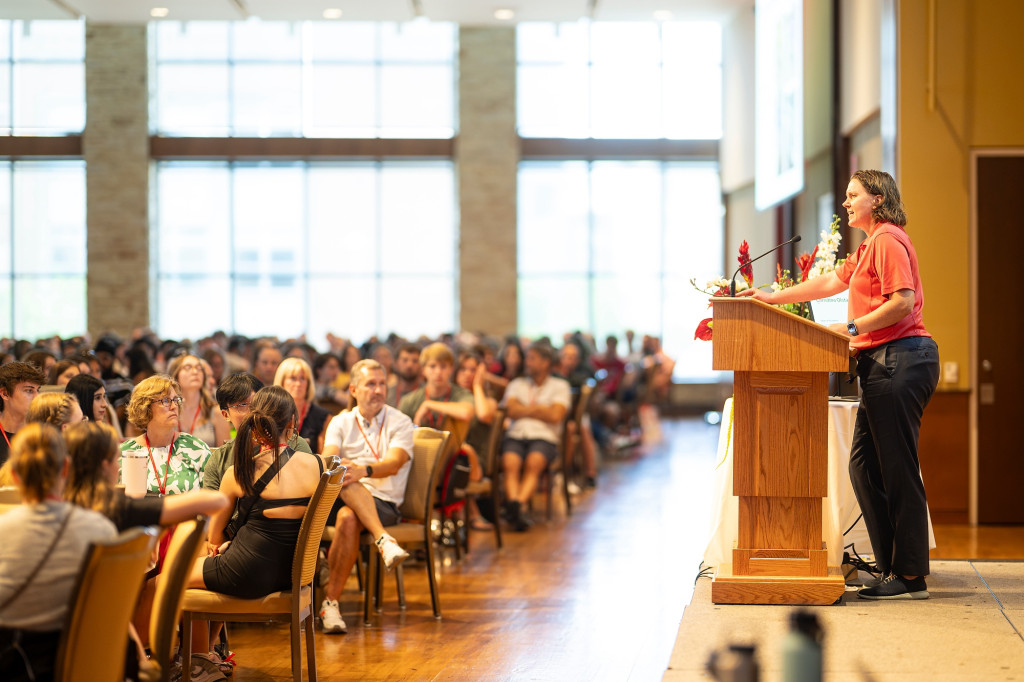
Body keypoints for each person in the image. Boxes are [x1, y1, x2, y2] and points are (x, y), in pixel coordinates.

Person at [739, 169, 939, 600]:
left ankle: (910, 576)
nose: (846, 203)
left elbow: (902, 302)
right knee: (866, 467)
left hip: (900, 360)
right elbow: (830, 281)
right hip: (883, 362)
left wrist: (849, 327)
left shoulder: (887, 239)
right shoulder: (870, 245)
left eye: (853, 195)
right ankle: (892, 568)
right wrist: (769, 297)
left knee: (895, 467)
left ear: (878, 199)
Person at [186, 388, 324, 675]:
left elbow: (214, 537)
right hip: (292, 574)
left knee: (166, 579)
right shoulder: (319, 466)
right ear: (293, 422)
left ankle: (196, 659)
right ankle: (205, 657)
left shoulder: (239, 472)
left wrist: (223, 547)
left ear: (255, 424)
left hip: (248, 573)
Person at [0, 423, 118, 682]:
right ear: (66, 468)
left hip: (14, 664)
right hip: (85, 665)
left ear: (15, 475)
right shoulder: (101, 529)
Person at [319, 359, 413, 635]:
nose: (378, 390)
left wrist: (364, 469)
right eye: (370, 384)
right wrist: (348, 468)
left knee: (349, 515)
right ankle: (383, 540)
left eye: (382, 383)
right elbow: (329, 458)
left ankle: (330, 604)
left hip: (384, 502)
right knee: (345, 476)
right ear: (353, 389)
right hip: (345, 495)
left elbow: (395, 463)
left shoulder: (400, 421)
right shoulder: (341, 421)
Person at [500, 342, 571, 532]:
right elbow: (511, 410)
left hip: (544, 436)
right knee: (510, 463)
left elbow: (556, 415)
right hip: (517, 433)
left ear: (546, 362)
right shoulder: (517, 384)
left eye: (532, 358)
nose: (527, 363)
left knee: (534, 462)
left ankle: (516, 505)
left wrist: (525, 409)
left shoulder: (560, 386)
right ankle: (517, 507)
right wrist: (540, 408)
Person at [119, 375, 212, 496]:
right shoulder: (126, 453)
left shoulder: (196, 448)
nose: (174, 407)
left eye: (176, 400)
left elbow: (211, 501)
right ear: (145, 407)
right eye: (166, 401)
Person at [168, 353, 230, 448]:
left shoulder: (216, 412)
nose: (195, 372)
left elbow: (224, 457)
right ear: (175, 375)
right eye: (188, 367)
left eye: (199, 368)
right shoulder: (168, 410)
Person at [275, 358, 330, 454]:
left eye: (302, 379)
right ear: (282, 382)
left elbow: (324, 457)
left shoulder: (323, 417)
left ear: (308, 384)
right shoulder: (270, 413)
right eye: (293, 378)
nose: (298, 384)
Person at [0, 362, 45, 466]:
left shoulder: (45, 432)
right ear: (5, 394)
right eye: (29, 391)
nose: (37, 397)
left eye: (38, 390)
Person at [65, 373, 122, 438]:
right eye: (97, 398)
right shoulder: (73, 436)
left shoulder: (101, 429)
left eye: (104, 397)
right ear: (82, 400)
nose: (105, 404)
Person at [386, 343, 422, 407]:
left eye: (415, 361)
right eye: (405, 360)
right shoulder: (387, 394)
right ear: (396, 363)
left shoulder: (428, 393)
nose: (409, 365)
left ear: (421, 365)